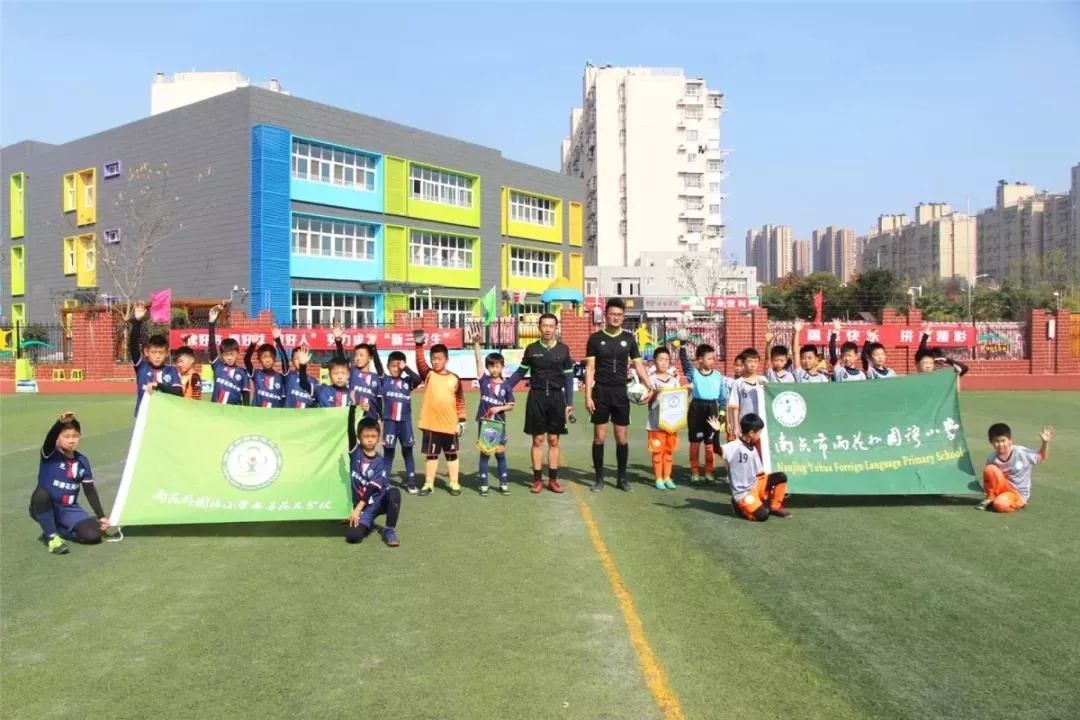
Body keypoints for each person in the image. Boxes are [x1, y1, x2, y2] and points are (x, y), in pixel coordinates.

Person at [585, 298, 653, 492]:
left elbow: (639, 365)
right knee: (599, 436)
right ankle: (599, 479)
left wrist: (650, 386)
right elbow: (590, 369)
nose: (616, 317)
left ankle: (622, 478)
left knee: (622, 437)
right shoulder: (595, 339)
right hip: (601, 392)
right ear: (606, 315)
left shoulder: (629, 339)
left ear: (623, 317)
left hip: (621, 392)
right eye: (612, 314)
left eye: (619, 315)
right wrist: (588, 396)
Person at [505, 313, 575, 494]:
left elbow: (568, 377)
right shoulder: (531, 349)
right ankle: (537, 480)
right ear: (539, 327)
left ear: (556, 327)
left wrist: (569, 402)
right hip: (536, 397)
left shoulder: (564, 350)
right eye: (545, 325)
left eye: (551, 326)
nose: (548, 329)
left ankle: (553, 479)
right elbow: (520, 373)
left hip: (557, 398)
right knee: (538, 440)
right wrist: (504, 388)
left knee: (553, 440)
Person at [29, 412, 110, 554]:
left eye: (75, 436)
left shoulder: (82, 461)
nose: (71, 440)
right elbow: (49, 439)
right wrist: (59, 423)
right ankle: (52, 538)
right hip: (47, 507)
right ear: (57, 438)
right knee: (41, 494)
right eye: (66, 437)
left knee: (94, 536)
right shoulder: (50, 455)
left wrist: (101, 516)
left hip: (70, 509)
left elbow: (90, 491)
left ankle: (56, 530)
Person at [708, 413, 792, 520]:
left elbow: (760, 473)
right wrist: (716, 432)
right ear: (751, 433)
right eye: (759, 433)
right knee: (763, 515)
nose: (760, 435)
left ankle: (775, 507)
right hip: (743, 493)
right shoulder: (735, 446)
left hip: (756, 484)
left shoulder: (752, 447)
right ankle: (738, 507)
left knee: (781, 477)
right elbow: (717, 449)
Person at [415, 335, 467, 496]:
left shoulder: (454, 378)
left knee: (452, 455)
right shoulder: (428, 375)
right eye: (433, 359)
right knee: (431, 456)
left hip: (450, 425)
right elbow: (420, 363)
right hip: (431, 425)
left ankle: (454, 483)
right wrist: (419, 345)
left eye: (439, 359)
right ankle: (428, 484)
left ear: (446, 359)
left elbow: (460, 401)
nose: (435, 362)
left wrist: (462, 421)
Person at [345, 407, 401, 546]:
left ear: (378, 437)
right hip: (363, 505)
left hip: (376, 502)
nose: (370, 440)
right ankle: (368, 524)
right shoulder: (355, 452)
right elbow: (350, 430)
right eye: (366, 436)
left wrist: (357, 510)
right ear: (359, 437)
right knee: (353, 537)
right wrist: (352, 408)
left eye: (373, 436)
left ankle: (389, 530)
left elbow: (370, 489)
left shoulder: (380, 462)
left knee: (394, 493)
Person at [677, 339, 726, 484]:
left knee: (709, 442)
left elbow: (723, 397)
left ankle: (709, 472)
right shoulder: (694, 373)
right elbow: (685, 363)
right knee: (695, 442)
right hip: (696, 409)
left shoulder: (718, 375)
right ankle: (694, 472)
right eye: (709, 358)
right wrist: (683, 346)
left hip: (712, 409)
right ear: (700, 359)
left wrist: (722, 413)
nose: (713, 361)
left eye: (713, 358)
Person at [978, 423, 1055, 513]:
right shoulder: (992, 458)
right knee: (989, 469)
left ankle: (1013, 504)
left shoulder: (1021, 452)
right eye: (997, 441)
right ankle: (991, 498)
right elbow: (989, 478)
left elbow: (1041, 456)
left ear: (1010, 440)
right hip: (1002, 488)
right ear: (991, 442)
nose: (1000, 444)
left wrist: (1045, 442)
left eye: (1003, 441)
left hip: (1017, 493)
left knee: (999, 505)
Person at [473, 334, 515, 495]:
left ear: (502, 367)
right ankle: (484, 483)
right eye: (491, 366)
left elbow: (511, 405)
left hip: (499, 424)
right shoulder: (484, 381)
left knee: (500, 453)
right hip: (485, 423)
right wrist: (477, 344)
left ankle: (503, 483)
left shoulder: (506, 386)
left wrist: (499, 409)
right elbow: (478, 362)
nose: (494, 369)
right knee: (485, 453)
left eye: (497, 366)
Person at [377, 350, 423, 493]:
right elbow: (377, 366)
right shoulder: (385, 380)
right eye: (392, 366)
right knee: (388, 453)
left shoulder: (408, 382)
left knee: (407, 451)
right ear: (388, 366)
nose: (395, 368)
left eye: (398, 366)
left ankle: (411, 482)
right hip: (390, 422)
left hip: (405, 423)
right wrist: (373, 348)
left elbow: (419, 380)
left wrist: (406, 368)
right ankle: (384, 482)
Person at [128, 301, 182, 414]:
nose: (157, 356)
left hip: (163, 417)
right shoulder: (141, 367)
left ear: (167, 353)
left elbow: (179, 392)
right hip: (143, 416)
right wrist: (137, 321)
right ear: (146, 352)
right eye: (154, 352)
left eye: (161, 352)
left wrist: (159, 385)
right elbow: (133, 345)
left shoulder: (171, 371)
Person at [646, 347, 682, 490]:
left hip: (671, 423)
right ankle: (658, 478)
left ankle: (667, 477)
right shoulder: (650, 380)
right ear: (655, 361)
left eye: (667, 360)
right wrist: (655, 393)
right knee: (657, 451)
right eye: (661, 359)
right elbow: (645, 399)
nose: (664, 363)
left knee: (668, 451)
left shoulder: (674, 381)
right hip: (655, 422)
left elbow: (680, 399)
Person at [207, 303, 251, 405]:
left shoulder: (242, 373)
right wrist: (211, 323)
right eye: (226, 355)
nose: (229, 358)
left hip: (234, 412)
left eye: (231, 354)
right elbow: (212, 345)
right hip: (216, 410)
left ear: (237, 354)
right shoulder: (218, 366)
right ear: (222, 355)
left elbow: (246, 394)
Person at [725, 348, 767, 445]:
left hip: (761, 424)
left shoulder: (763, 381)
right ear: (743, 363)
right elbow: (735, 406)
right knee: (745, 452)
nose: (753, 364)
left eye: (756, 362)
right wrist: (736, 426)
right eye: (750, 361)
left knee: (760, 453)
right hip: (745, 424)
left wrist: (765, 386)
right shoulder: (738, 383)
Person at [341, 330, 383, 421]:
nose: (358, 358)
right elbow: (342, 358)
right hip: (352, 418)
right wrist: (338, 340)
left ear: (370, 358)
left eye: (361, 355)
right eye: (356, 355)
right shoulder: (352, 371)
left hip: (370, 420)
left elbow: (379, 400)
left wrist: (380, 416)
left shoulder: (376, 378)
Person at [244, 325, 286, 408]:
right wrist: (252, 344)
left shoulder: (281, 377)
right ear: (259, 360)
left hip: (274, 417)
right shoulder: (256, 374)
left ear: (274, 359)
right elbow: (246, 360)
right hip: (257, 415)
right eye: (264, 357)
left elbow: (283, 400)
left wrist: (277, 340)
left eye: (270, 357)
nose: (268, 360)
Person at [276, 332, 315, 409]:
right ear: (292, 361)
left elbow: (314, 403)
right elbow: (284, 359)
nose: (300, 361)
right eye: (297, 359)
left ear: (308, 360)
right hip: (289, 417)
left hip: (305, 418)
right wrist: (277, 340)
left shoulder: (314, 381)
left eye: (302, 358)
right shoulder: (288, 375)